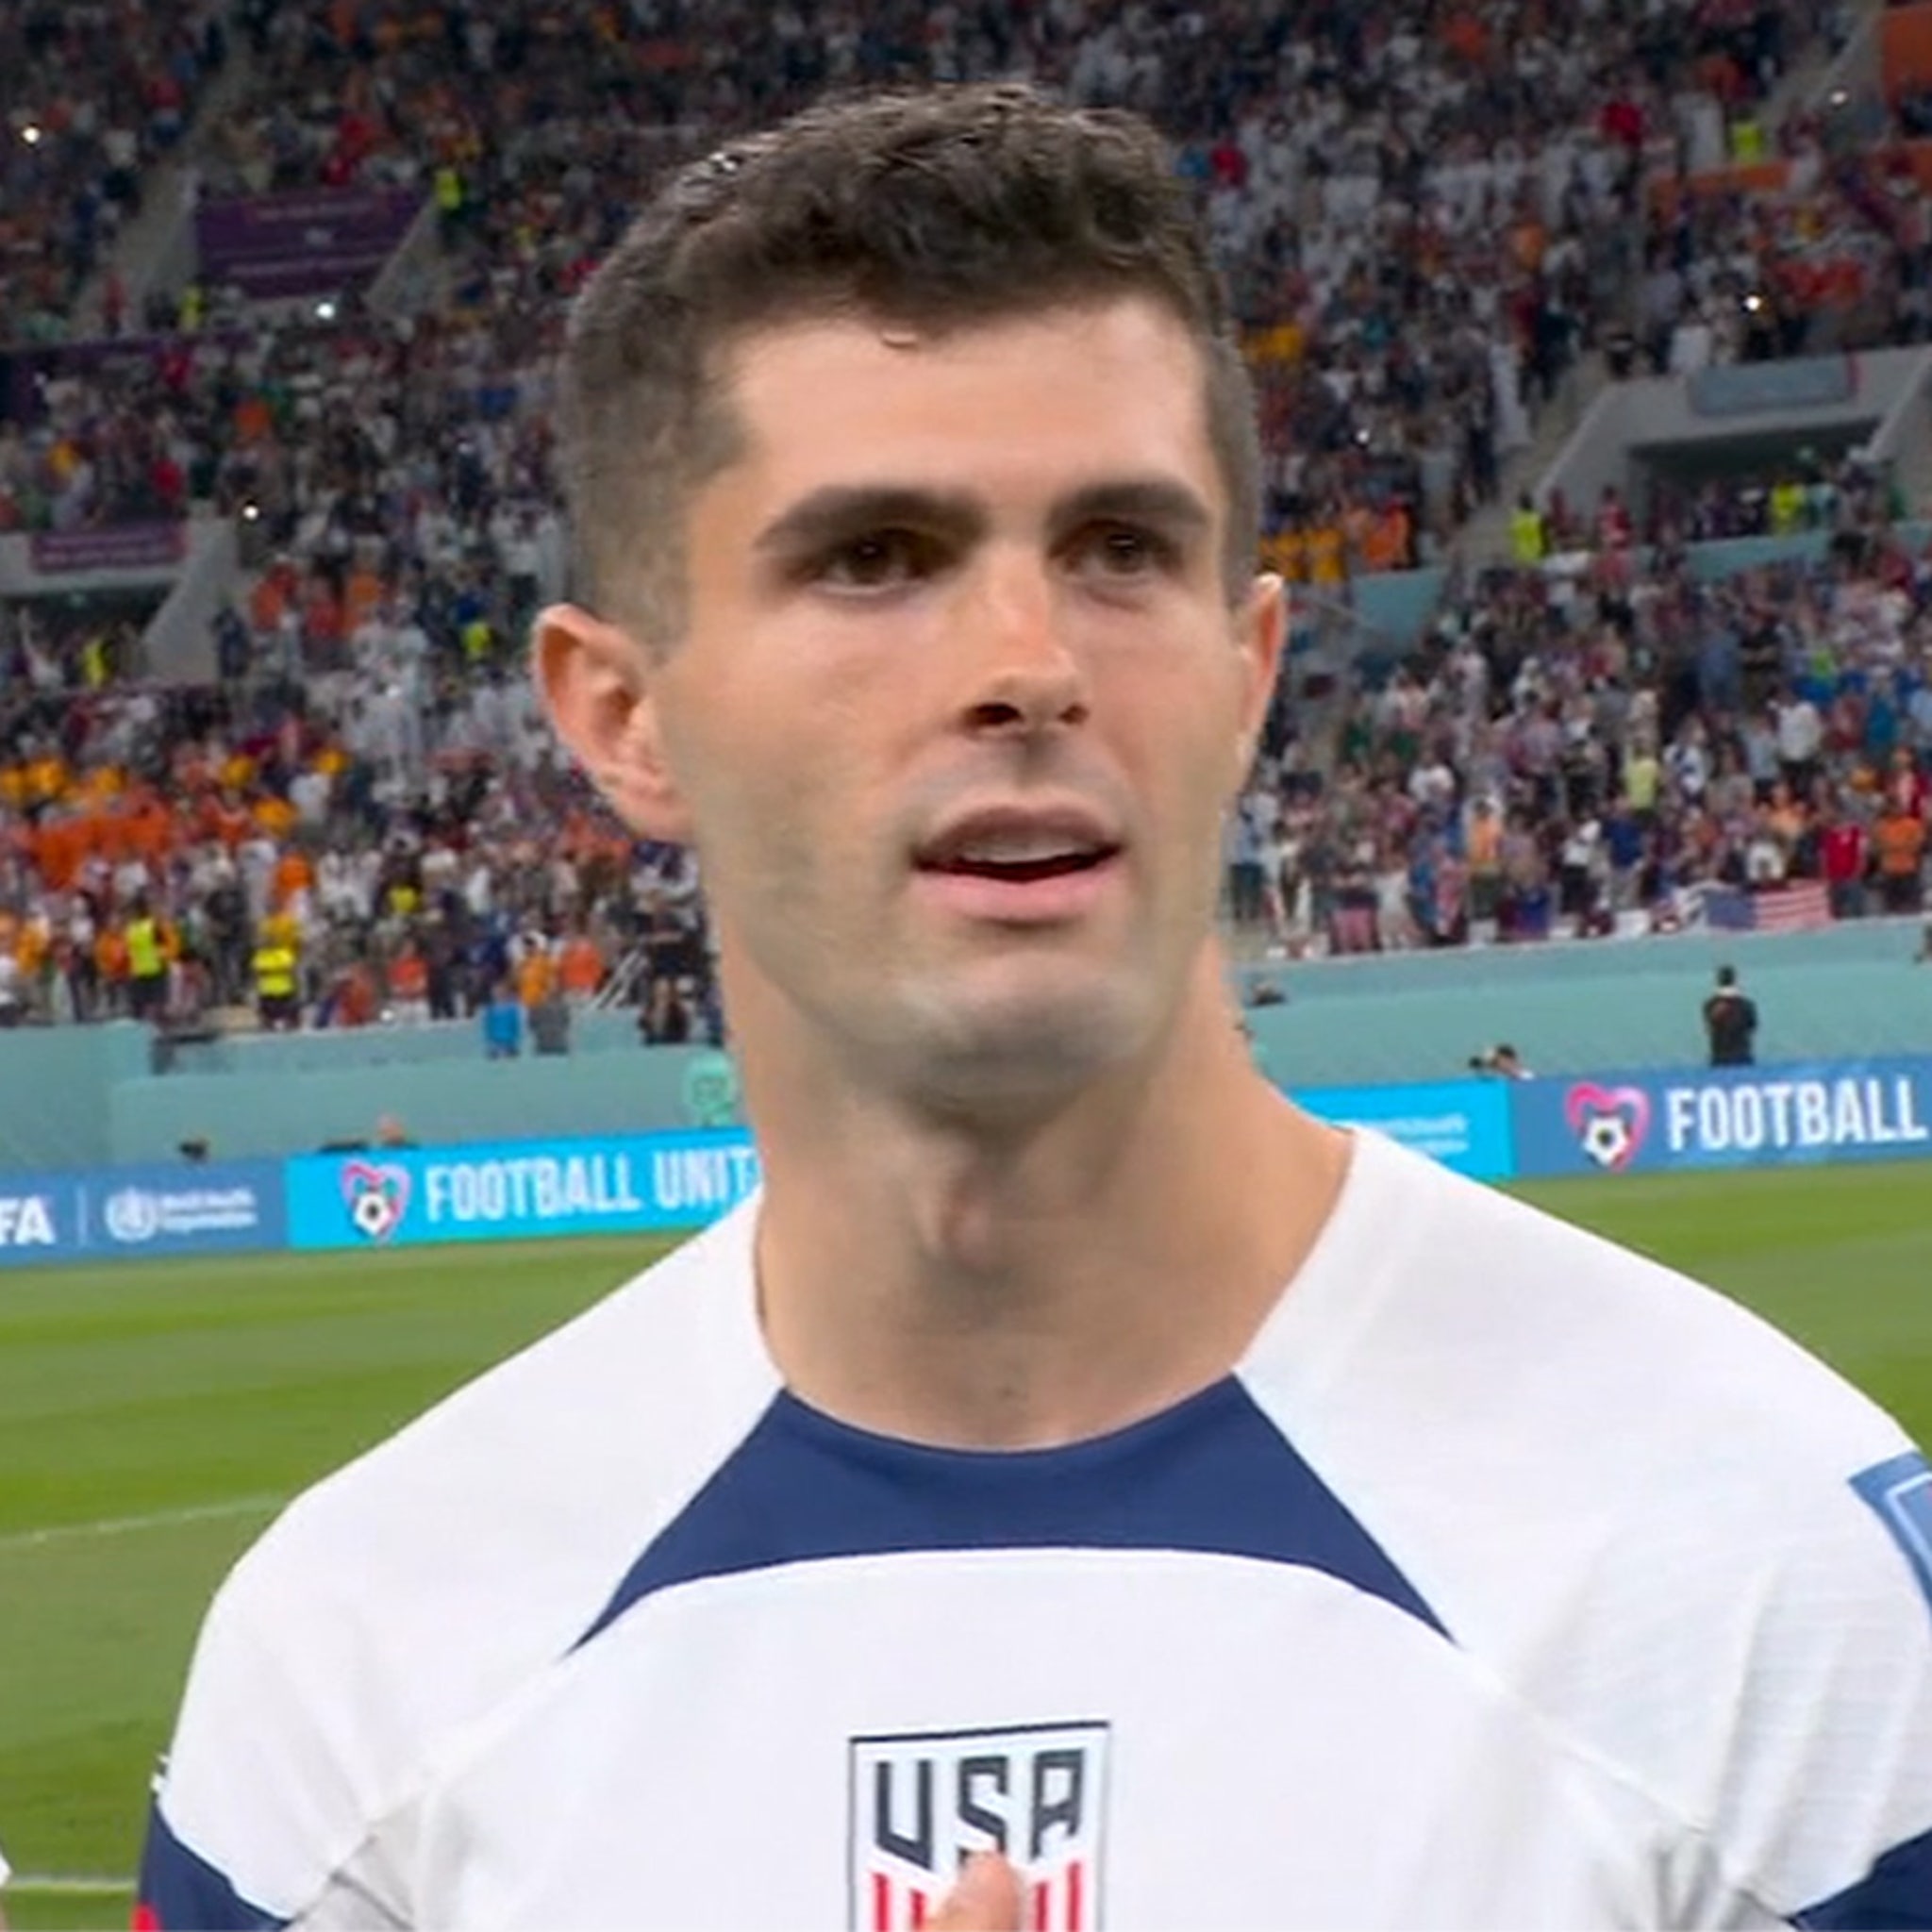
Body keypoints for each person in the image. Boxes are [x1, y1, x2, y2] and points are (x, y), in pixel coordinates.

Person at [140, 86, 1931, 1932]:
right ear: (620, 715)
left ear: (1247, 678)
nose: (1027, 666)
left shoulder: (1767, 1582)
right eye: (874, 557)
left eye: (1119, 550)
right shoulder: (352, 1671)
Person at [1703, 963, 1759, 1068]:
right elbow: (1752, 1028)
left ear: (1718, 981)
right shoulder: (1746, 1005)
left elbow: (1709, 1028)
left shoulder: (1710, 1006)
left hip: (1719, 1058)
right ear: (1735, 981)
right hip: (1743, 1056)